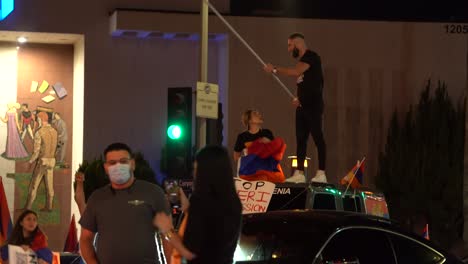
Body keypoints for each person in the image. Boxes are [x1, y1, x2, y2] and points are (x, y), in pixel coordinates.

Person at [79, 142, 171, 264]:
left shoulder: (153, 193)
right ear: (106, 168)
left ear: (132, 164)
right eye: (112, 163)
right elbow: (85, 239)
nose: (118, 166)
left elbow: (167, 236)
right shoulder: (97, 198)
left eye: (123, 161)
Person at [155, 145, 242, 264]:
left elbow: (189, 252)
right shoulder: (233, 201)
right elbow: (210, 232)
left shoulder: (200, 202)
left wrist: (167, 230)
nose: (194, 172)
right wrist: (188, 210)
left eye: (196, 168)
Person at [264, 32, 327, 183]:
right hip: (302, 106)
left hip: (313, 105)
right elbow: (304, 84)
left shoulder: (312, 57)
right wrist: (298, 99)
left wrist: (275, 69)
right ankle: (299, 173)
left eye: (290, 45)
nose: (289, 49)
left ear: (298, 43)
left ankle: (321, 172)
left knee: (317, 137)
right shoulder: (303, 61)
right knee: (301, 139)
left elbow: (296, 71)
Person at [234, 109, 286, 183]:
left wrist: (269, 142)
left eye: (259, 113)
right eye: (255, 114)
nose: (259, 115)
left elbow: (274, 152)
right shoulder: (242, 136)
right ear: (249, 120)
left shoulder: (267, 133)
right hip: (251, 170)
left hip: (267, 167)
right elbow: (236, 157)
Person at [24, 111, 58, 211]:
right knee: (50, 186)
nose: (36, 121)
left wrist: (30, 162)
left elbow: (36, 152)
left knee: (34, 185)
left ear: (40, 119)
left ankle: (28, 207)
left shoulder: (39, 132)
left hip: (42, 161)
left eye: (37, 119)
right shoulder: (54, 131)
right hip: (52, 161)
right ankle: (49, 207)